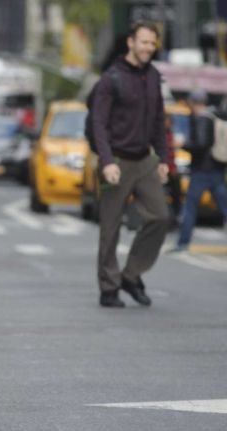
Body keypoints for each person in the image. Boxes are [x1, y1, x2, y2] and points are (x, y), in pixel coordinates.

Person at [91, 22, 170, 308]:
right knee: (110, 227)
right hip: (116, 160)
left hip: (145, 159)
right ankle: (109, 287)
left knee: (160, 217)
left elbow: (159, 120)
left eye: (152, 44)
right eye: (144, 42)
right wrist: (107, 161)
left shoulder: (153, 76)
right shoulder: (111, 78)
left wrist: (164, 158)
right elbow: (99, 124)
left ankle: (131, 274)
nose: (149, 48)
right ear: (131, 42)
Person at [172, 90, 227, 251]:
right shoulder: (215, 115)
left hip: (202, 170)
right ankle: (182, 242)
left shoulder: (202, 118)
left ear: (193, 103)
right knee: (224, 206)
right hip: (217, 168)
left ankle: (183, 243)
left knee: (190, 206)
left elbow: (202, 144)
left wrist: (183, 145)